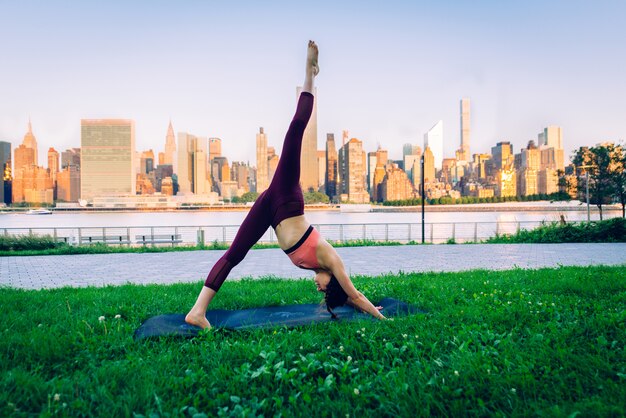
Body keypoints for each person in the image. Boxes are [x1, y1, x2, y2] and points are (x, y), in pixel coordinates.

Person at [185, 41, 386, 329]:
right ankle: (310, 73)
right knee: (295, 130)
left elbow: (351, 296)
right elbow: (352, 293)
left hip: (270, 209)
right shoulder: (332, 259)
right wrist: (381, 317)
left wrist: (365, 305)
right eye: (325, 288)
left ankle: (197, 312)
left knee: (235, 254)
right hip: (286, 197)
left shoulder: (320, 267)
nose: (319, 289)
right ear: (333, 279)